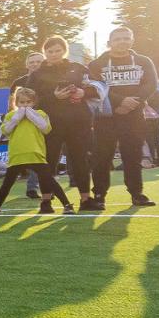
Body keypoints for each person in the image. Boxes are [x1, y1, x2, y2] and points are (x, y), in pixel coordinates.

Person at [24, 36, 102, 211]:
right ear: (45, 53)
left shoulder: (78, 68)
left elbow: (98, 87)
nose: (54, 54)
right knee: (49, 161)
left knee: (80, 160)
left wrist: (83, 92)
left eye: (58, 50)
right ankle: (46, 201)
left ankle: (85, 199)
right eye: (50, 51)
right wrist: (54, 97)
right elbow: (29, 99)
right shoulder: (37, 74)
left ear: (64, 50)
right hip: (50, 124)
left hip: (78, 122)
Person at [88, 26, 158, 207]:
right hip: (106, 117)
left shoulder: (143, 61)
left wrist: (133, 102)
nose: (122, 42)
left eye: (126, 38)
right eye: (118, 39)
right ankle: (99, 195)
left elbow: (151, 84)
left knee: (133, 156)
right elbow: (95, 87)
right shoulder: (96, 64)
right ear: (109, 42)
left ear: (132, 40)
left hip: (134, 115)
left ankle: (137, 193)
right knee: (102, 157)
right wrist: (119, 102)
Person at [0, 88, 74, 215]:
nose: (25, 105)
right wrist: (17, 118)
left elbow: (45, 128)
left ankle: (67, 205)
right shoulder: (11, 115)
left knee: (49, 180)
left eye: (28, 102)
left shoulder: (40, 113)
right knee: (8, 182)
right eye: (22, 102)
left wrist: (31, 115)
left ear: (34, 102)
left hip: (36, 153)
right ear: (16, 103)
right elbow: (6, 130)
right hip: (17, 154)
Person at [11, 52, 47, 199]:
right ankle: (10, 184)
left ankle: (34, 187)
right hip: (22, 123)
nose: (34, 64)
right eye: (31, 62)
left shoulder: (48, 80)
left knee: (41, 155)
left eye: (38, 61)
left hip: (42, 121)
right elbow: (11, 102)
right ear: (26, 64)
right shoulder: (19, 82)